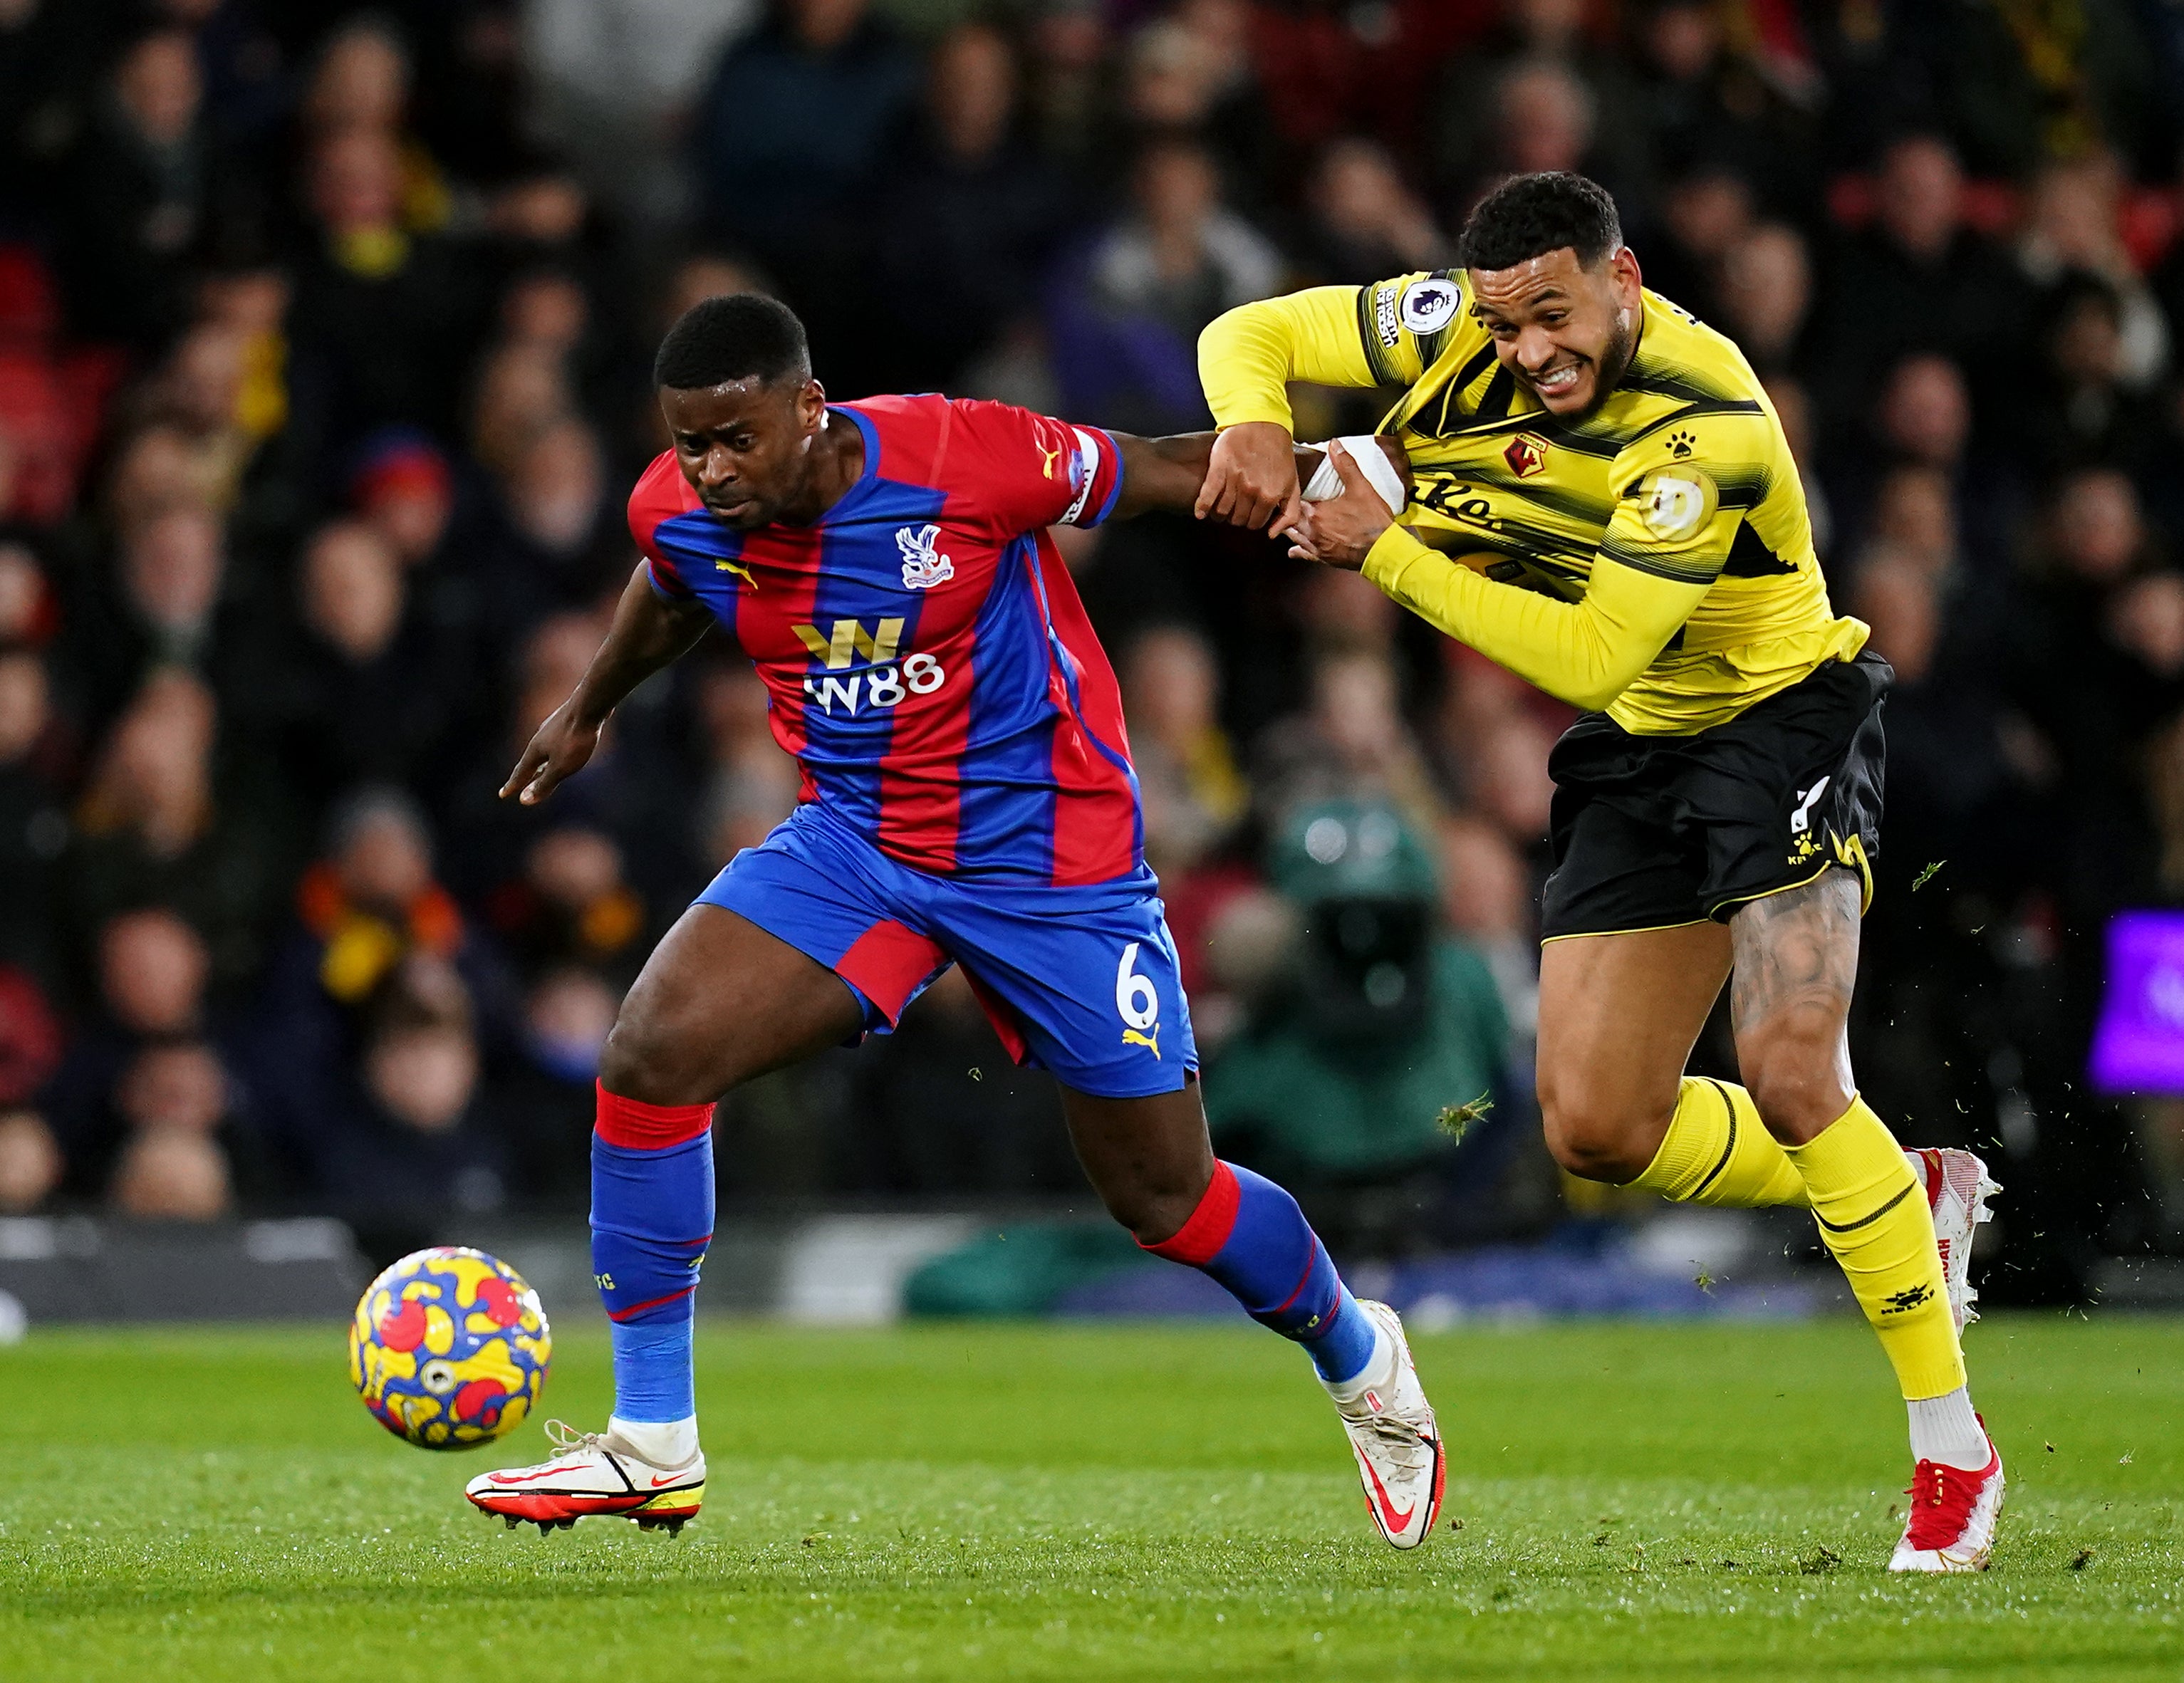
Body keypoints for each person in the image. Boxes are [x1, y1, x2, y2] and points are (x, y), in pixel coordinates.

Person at [462, 294, 1445, 1548]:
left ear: (809, 410)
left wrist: (1349, 472)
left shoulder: (959, 455)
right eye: (690, 444)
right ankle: (653, 1441)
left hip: (1055, 866)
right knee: (652, 1056)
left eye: (735, 440)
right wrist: (590, 706)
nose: (710, 471)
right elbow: (672, 587)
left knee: (1167, 1201)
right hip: (857, 845)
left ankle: (1361, 1358)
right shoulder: (682, 508)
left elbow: (1152, 470)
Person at [1192, 171, 2002, 1573]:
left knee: (1794, 1068)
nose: (1528, 352)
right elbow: (1245, 332)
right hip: (1640, 757)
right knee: (1593, 1129)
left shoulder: (1705, 429)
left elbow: (1585, 657)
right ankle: (1902, 1190)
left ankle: (1950, 1453)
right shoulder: (1468, 315)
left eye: (1555, 316)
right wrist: (1257, 428)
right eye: (1506, 328)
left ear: (1620, 284)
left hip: (1773, 726)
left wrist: (1378, 545)